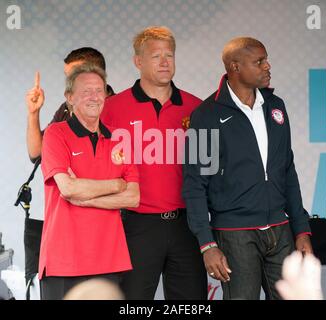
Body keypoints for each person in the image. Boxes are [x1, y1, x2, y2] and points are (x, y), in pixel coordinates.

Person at [182, 37, 313, 300]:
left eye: (266, 60)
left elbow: (287, 171)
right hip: (235, 235)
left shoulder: (277, 106)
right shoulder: (205, 115)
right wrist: (207, 244)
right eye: (259, 62)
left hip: (280, 229)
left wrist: (301, 229)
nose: (268, 66)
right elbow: (195, 184)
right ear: (235, 67)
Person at [101, 26, 207, 300]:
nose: (164, 62)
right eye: (155, 56)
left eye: (169, 55)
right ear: (138, 62)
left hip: (187, 226)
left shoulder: (197, 108)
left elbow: (211, 171)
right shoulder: (111, 108)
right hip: (135, 225)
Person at [37, 63, 139, 300]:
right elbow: (68, 188)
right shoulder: (56, 133)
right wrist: (115, 185)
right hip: (63, 260)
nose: (94, 97)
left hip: (109, 260)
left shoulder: (119, 138)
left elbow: (133, 197)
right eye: (86, 91)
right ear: (70, 98)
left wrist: (84, 198)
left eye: (99, 90)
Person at [26, 47, 114, 163]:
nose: (69, 83)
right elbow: (37, 154)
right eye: (67, 77)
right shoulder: (66, 109)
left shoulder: (119, 109)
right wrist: (33, 112)